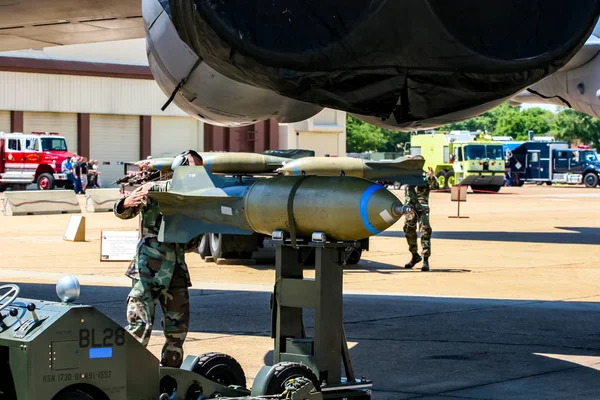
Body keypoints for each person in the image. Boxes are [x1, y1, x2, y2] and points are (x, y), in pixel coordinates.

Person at [113, 149, 204, 367]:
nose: (196, 173)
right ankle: (126, 375)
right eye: (192, 168)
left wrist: (198, 225)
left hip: (176, 274)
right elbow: (123, 212)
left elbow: (190, 244)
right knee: (139, 327)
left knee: (177, 332)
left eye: (199, 170)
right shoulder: (154, 190)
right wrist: (126, 202)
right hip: (148, 271)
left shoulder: (192, 199)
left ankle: (170, 377)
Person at [403, 166, 439, 272]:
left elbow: (435, 185)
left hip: (422, 208)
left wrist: (431, 176)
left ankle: (425, 260)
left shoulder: (426, 176)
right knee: (408, 230)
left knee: (425, 232)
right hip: (410, 208)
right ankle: (415, 255)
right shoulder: (408, 176)